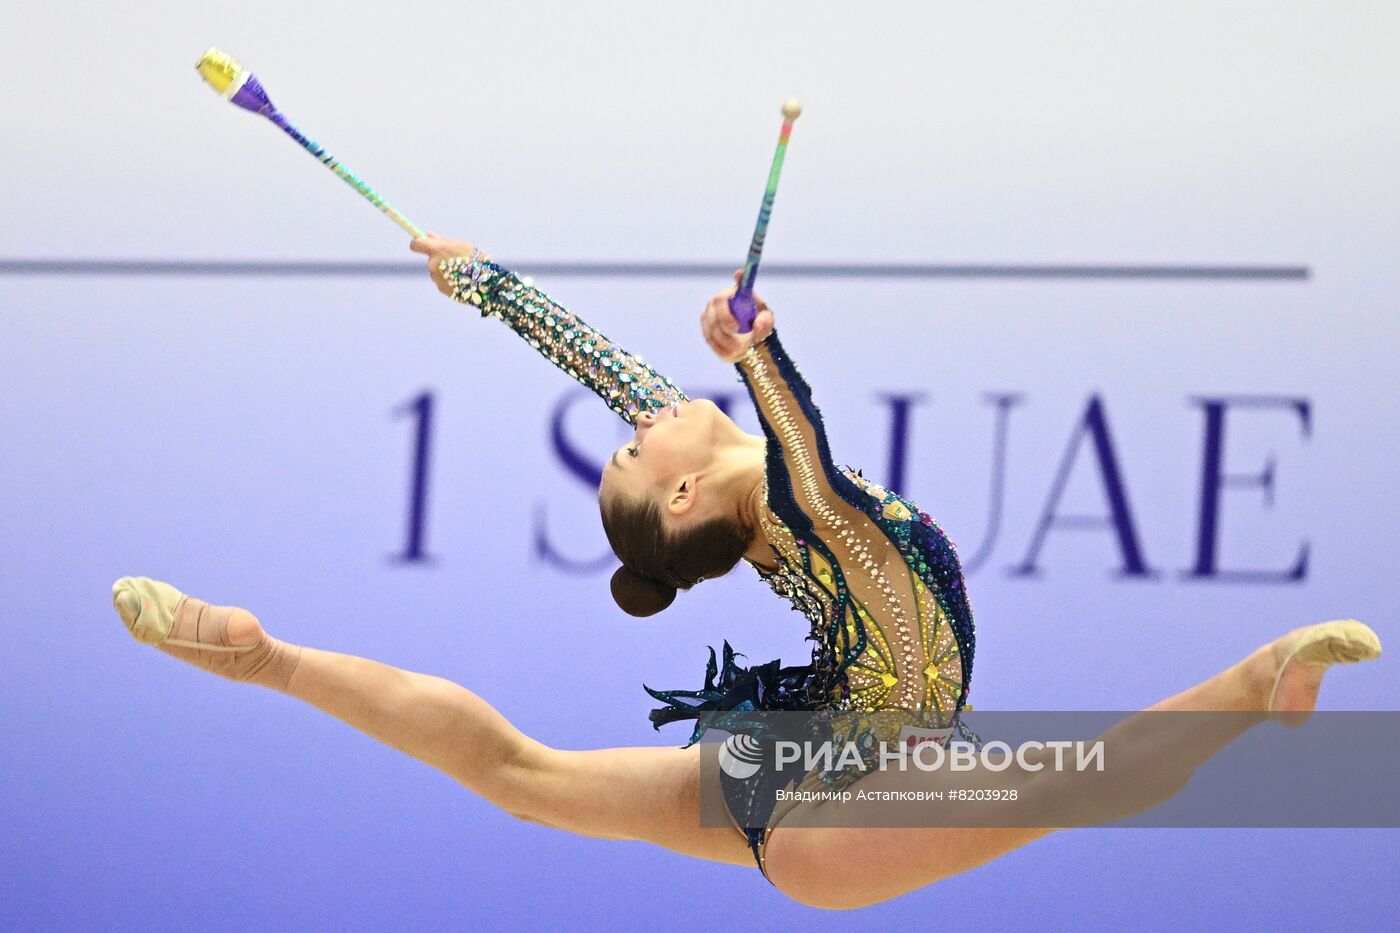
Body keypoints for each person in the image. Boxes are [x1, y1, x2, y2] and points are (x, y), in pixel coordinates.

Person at [110, 257, 1382, 907]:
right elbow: (809, 466)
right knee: (1076, 777)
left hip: (808, 757)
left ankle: (266, 660)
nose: (639, 412)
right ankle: (1258, 681)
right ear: (677, 498)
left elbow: (601, 364)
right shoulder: (802, 514)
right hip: (847, 803)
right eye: (630, 444)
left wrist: (483, 279)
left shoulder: (725, 485)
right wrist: (759, 348)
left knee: (519, 778)